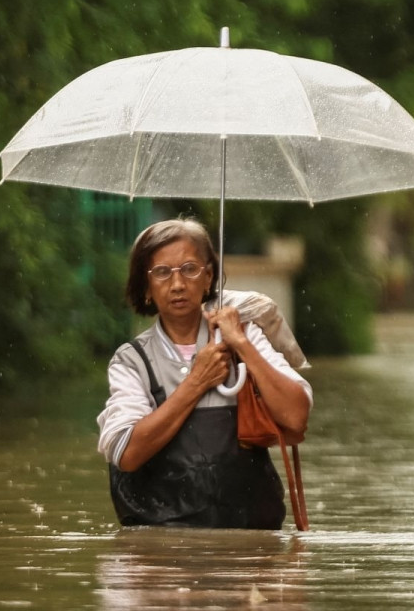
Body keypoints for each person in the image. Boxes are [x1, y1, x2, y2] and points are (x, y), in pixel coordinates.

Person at [96, 219, 312, 529]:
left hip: (249, 545)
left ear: (208, 276)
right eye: (162, 273)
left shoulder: (243, 335)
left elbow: (296, 417)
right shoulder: (132, 361)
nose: (177, 284)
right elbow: (126, 452)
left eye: (189, 269)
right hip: (162, 553)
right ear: (145, 288)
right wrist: (196, 382)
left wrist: (241, 344)